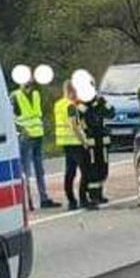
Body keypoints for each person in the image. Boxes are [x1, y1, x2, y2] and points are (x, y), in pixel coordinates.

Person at [10, 65, 59, 209]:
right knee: (26, 170)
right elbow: (10, 116)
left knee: (39, 169)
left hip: (38, 135)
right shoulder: (15, 96)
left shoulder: (36, 94)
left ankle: (43, 198)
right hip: (26, 137)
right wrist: (20, 130)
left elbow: (37, 114)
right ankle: (28, 200)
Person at [80, 80, 115, 208]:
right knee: (93, 169)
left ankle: (99, 194)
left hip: (102, 141)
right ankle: (93, 195)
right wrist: (93, 105)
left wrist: (102, 103)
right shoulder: (82, 104)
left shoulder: (100, 102)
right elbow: (86, 117)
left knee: (103, 168)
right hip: (91, 143)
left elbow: (111, 113)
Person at [54, 80, 88, 210]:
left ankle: (71, 200)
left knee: (70, 171)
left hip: (64, 141)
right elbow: (74, 125)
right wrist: (83, 141)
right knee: (85, 171)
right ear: (70, 91)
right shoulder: (70, 106)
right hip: (74, 141)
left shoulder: (58, 104)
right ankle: (83, 199)